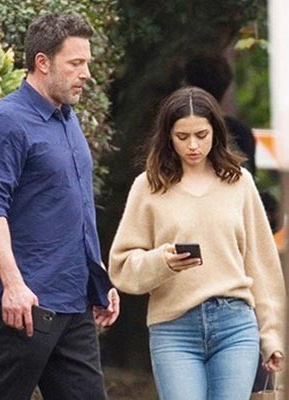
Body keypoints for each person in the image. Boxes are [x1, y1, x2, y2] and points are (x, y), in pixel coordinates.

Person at [0, 12, 120, 400]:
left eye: (87, 63)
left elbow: (73, 209)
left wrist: (98, 278)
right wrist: (12, 285)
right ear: (42, 62)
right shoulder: (5, 122)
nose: (86, 74)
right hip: (27, 305)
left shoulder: (67, 119)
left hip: (74, 303)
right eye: (75, 63)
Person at [109, 86, 285, 400]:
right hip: (173, 327)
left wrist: (272, 336)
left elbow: (263, 264)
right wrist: (162, 262)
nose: (192, 145)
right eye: (182, 136)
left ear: (216, 132)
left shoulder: (239, 182)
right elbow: (121, 267)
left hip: (235, 324)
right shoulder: (148, 186)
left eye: (201, 135)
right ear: (168, 137)